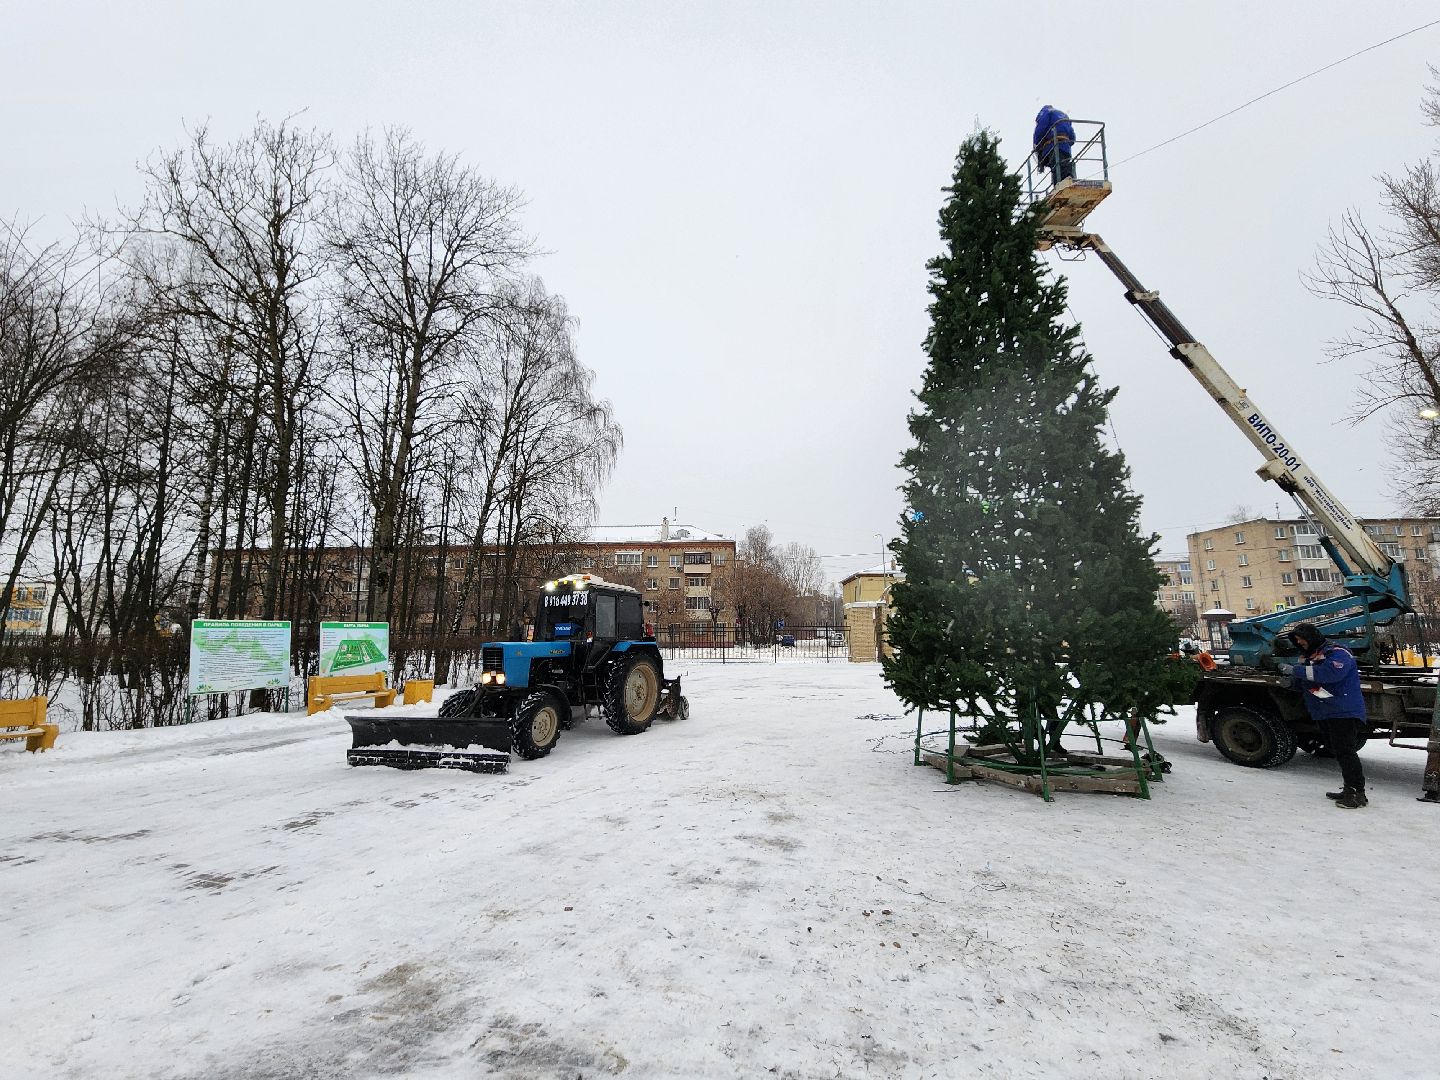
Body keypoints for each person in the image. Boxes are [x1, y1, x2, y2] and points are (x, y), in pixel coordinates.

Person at [1278, 622, 1368, 808]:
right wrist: (1292, 683)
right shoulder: (1309, 656)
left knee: (1345, 751)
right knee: (1337, 750)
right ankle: (1349, 788)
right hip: (1326, 711)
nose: (1299, 643)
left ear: (1311, 637)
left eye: (1301, 639)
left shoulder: (1338, 652)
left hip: (1343, 711)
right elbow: (1309, 681)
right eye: (1297, 640)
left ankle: (1356, 793)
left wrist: (1295, 670)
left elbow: (1330, 674)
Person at [1033, 105, 1076, 185]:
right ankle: (1069, 180)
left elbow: (1040, 129)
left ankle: (1060, 185)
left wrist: (1036, 145)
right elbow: (1072, 137)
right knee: (1064, 165)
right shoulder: (1064, 115)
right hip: (1066, 147)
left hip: (1052, 145)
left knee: (1057, 168)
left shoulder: (1046, 112)